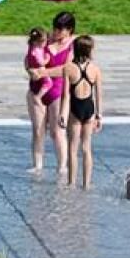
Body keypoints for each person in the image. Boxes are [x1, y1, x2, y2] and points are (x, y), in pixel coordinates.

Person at [26, 11, 77, 180]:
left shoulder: (73, 46)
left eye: (60, 30)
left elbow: (67, 69)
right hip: (37, 88)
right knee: (38, 129)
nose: (56, 32)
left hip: (58, 90)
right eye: (55, 28)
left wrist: (44, 72)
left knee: (57, 132)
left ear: (69, 30)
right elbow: (29, 57)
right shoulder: (45, 39)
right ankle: (37, 165)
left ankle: (62, 166)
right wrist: (30, 70)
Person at [60, 35, 103, 189]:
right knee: (86, 148)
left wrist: (62, 114)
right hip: (89, 109)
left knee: (73, 148)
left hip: (75, 109)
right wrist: (99, 115)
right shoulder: (95, 69)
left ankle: (71, 183)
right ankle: (86, 184)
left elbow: (65, 95)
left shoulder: (68, 68)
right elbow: (98, 94)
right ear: (90, 50)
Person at [24, 27, 51, 172]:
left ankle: (41, 164)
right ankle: (37, 164)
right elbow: (35, 62)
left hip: (43, 84)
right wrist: (46, 59)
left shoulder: (34, 48)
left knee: (45, 130)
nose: (44, 44)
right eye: (42, 41)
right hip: (39, 82)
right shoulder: (35, 51)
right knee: (38, 129)